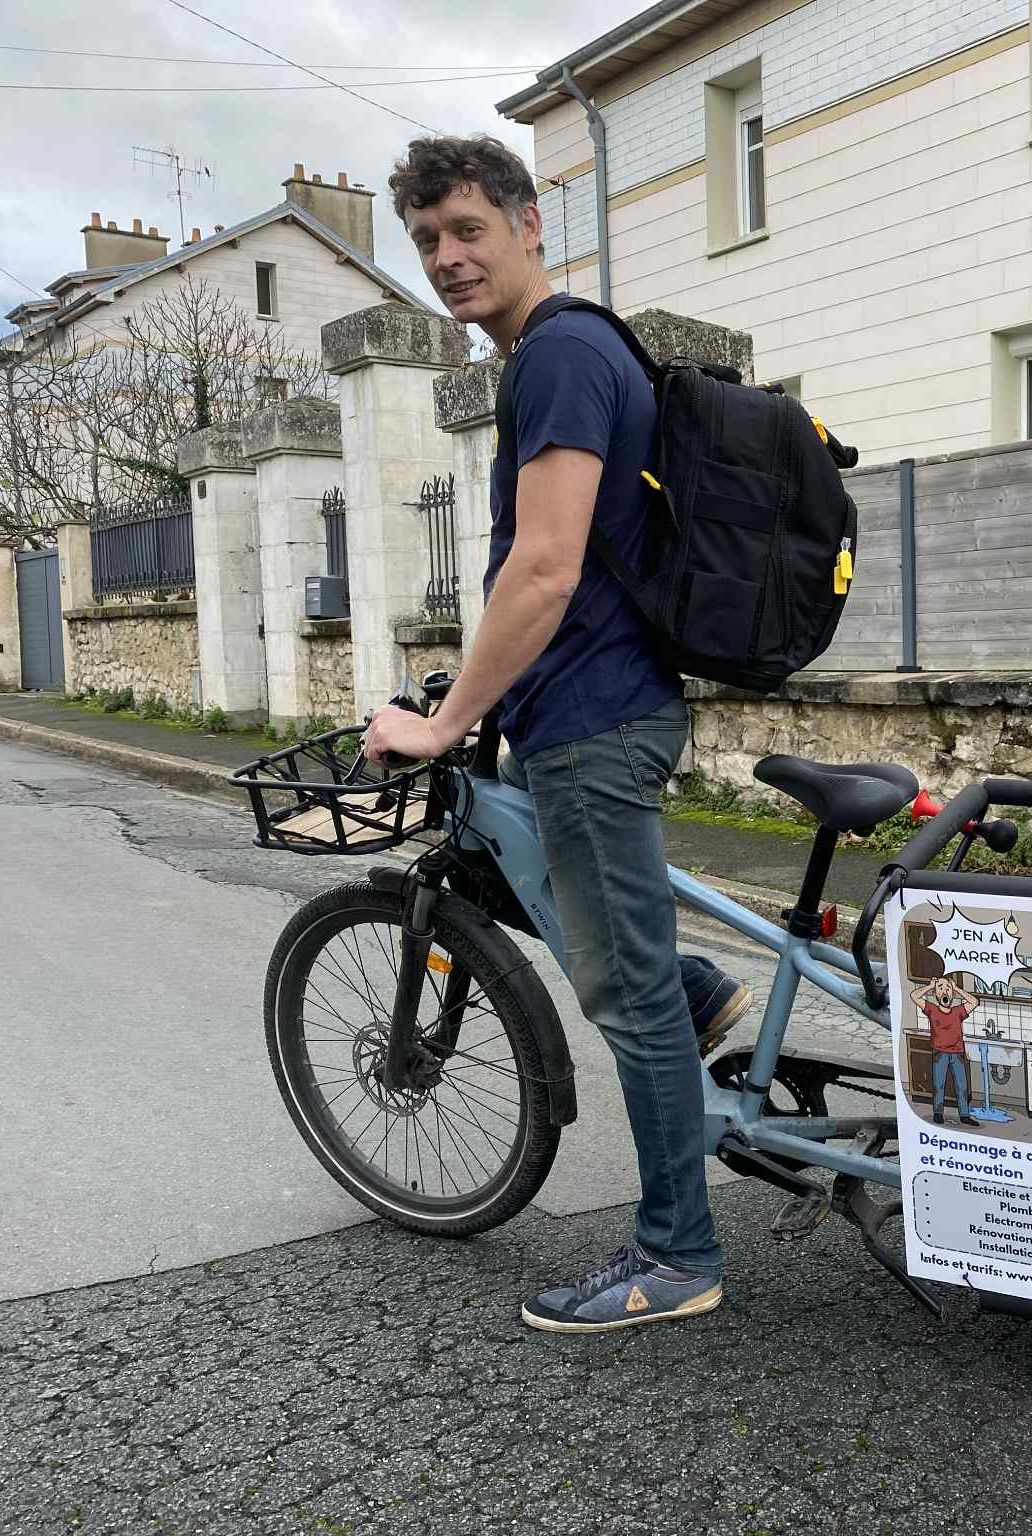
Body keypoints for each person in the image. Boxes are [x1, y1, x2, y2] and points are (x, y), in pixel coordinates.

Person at [364, 133, 742, 1333]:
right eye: (427, 240)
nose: (447, 258)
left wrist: (443, 722)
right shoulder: (556, 352)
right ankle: (698, 992)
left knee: (622, 996)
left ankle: (675, 1255)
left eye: (469, 230)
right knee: (588, 925)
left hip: (590, 717)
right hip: (580, 709)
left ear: (530, 224)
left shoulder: (562, 355)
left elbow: (543, 565)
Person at [909, 975, 979, 1127]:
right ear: (936, 994)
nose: (944, 991)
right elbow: (914, 996)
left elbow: (974, 1002)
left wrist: (957, 988)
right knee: (938, 1084)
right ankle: (938, 1113)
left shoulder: (958, 1012)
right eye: (940, 988)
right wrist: (930, 986)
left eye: (948, 988)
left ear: (952, 994)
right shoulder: (932, 1009)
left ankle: (964, 1115)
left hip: (957, 1053)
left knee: (962, 1086)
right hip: (940, 1053)